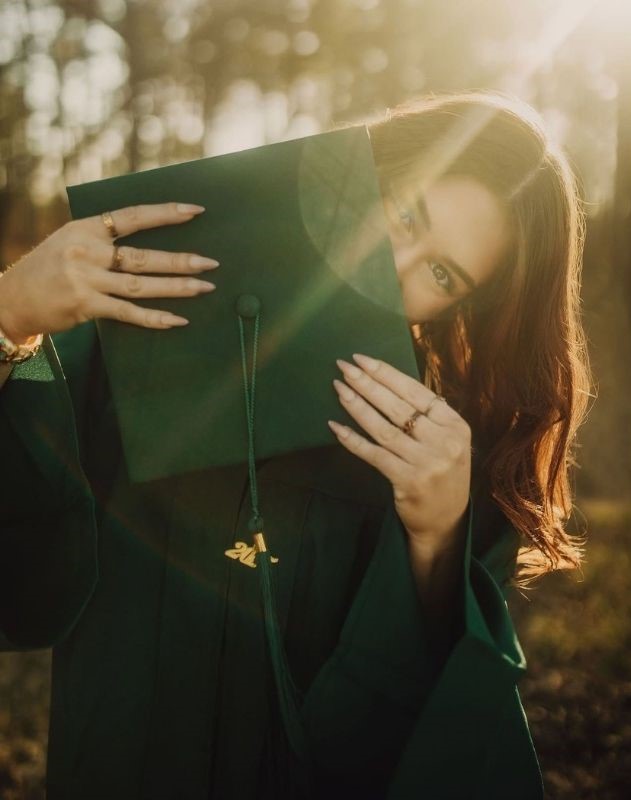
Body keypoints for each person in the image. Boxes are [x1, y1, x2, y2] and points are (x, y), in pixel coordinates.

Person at [0, 90, 590, 799]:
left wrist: (435, 540)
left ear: (464, 307)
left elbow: (435, 728)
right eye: (404, 215)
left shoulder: (431, 451)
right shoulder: (136, 327)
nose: (394, 265)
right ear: (358, 173)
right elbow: (26, 573)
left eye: (441, 275)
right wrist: (12, 321)